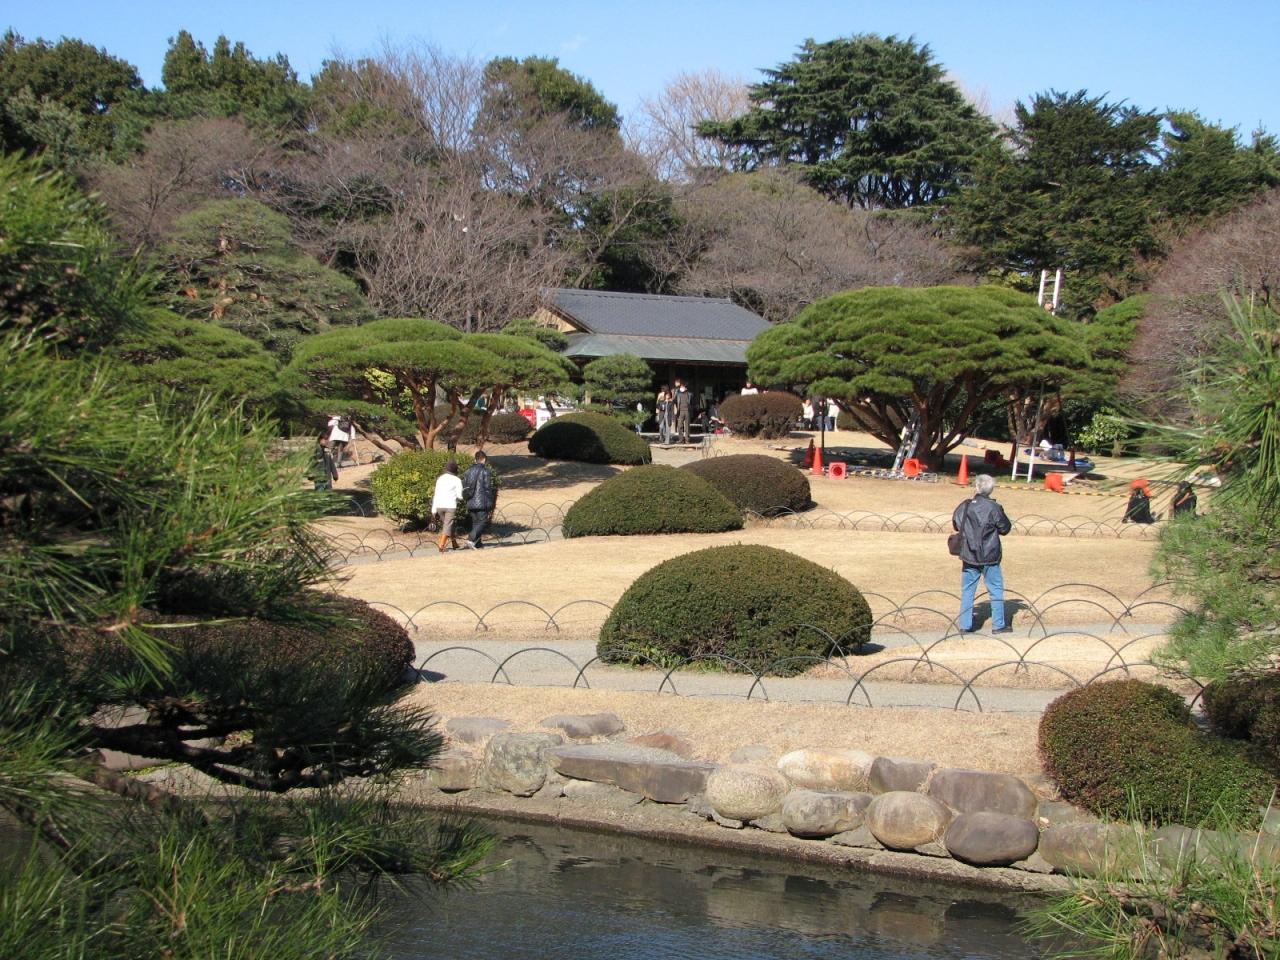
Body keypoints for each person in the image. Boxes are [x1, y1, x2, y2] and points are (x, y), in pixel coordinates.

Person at [952, 474, 1014, 634]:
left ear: (976, 487)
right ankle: (998, 625)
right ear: (991, 489)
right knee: (996, 589)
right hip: (990, 556)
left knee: (967, 590)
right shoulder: (994, 507)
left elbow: (956, 524)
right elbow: (1005, 528)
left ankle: (965, 626)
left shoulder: (965, 505)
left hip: (969, 555)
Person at [460, 450, 498, 549]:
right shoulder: (485, 471)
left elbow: (465, 486)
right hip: (482, 501)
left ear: (475, 459)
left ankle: (478, 544)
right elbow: (487, 488)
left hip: (470, 501)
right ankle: (470, 538)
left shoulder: (467, 471)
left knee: (476, 523)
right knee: (482, 521)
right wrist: (490, 503)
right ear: (484, 459)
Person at [431, 459, 463, 552]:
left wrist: (433, 509)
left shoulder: (440, 479)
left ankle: (454, 543)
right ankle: (441, 545)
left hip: (439, 505)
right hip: (450, 506)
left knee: (448, 525)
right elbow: (459, 496)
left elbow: (436, 494)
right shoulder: (457, 480)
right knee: (447, 525)